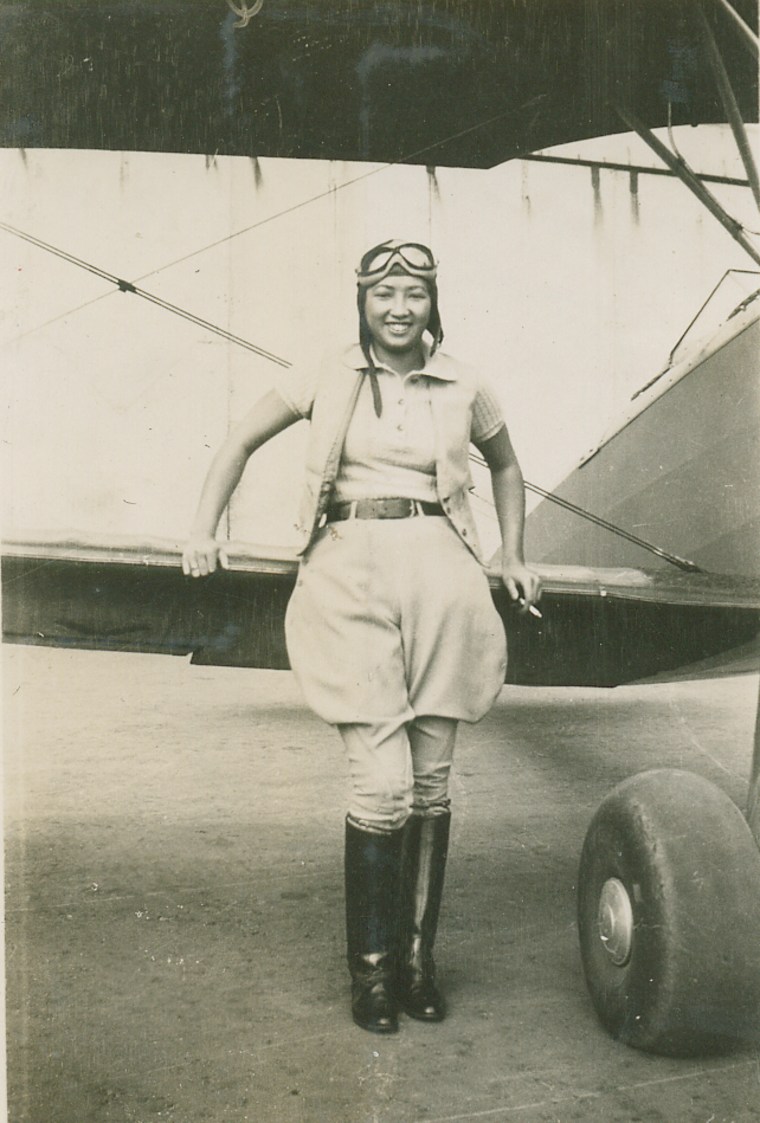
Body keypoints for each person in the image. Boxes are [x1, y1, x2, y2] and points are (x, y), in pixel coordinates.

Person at [181, 239, 541, 1035]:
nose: (399, 307)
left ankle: (417, 967)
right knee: (380, 787)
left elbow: (508, 467)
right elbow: (239, 441)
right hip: (348, 573)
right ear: (363, 302)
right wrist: (202, 529)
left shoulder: (466, 382)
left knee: (433, 783)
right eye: (383, 294)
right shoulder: (326, 373)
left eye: (413, 292)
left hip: (443, 577)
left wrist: (511, 552)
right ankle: (371, 975)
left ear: (432, 301)